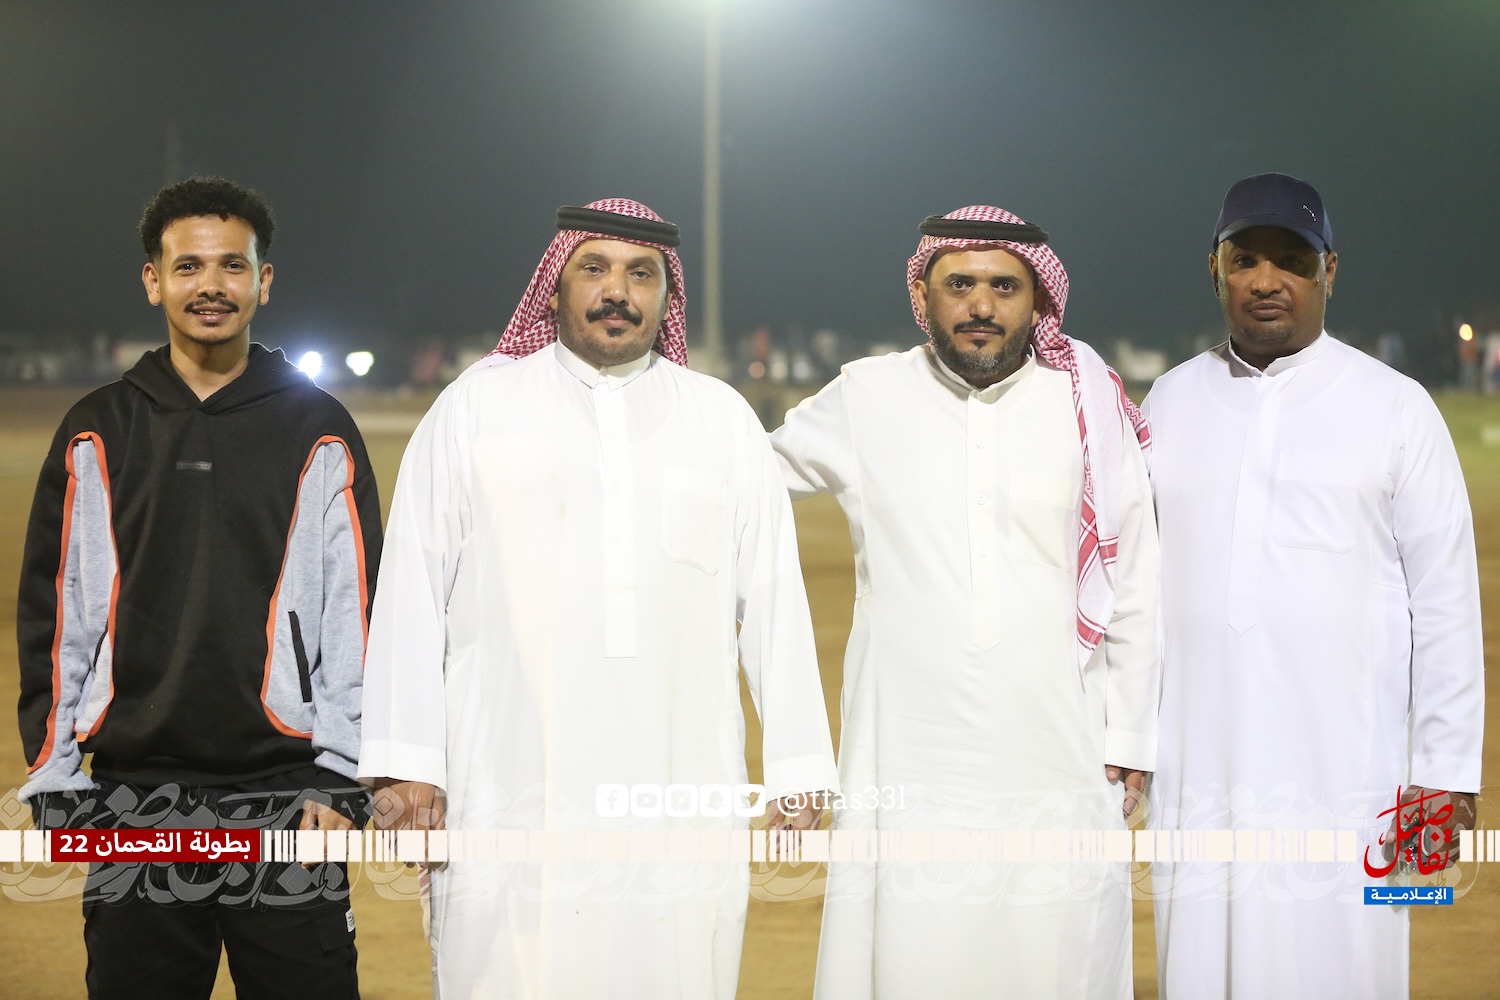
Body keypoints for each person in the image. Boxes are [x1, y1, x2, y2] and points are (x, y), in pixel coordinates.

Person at [358, 198, 838, 998]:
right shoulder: (474, 410)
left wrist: (798, 765)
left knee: (673, 961)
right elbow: (410, 589)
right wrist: (406, 764)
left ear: (667, 295)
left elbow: (776, 602)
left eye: (641, 274)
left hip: (679, 778)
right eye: (595, 268)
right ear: (553, 287)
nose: (617, 290)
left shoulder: (720, 419)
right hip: (506, 776)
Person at [772, 205, 1159, 999]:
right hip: (906, 750)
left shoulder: (1087, 408)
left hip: (1059, 746)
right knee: (913, 946)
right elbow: (741, 482)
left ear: (1038, 299)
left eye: (1004, 287)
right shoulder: (867, 395)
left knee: (1051, 945)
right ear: (924, 295)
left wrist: (1130, 733)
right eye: (959, 285)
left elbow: (1135, 584)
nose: (981, 305)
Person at [17, 176, 382, 998]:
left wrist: (342, 774)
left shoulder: (318, 428)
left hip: (287, 795)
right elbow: (56, 614)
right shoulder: (97, 429)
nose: (209, 285)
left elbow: (356, 613)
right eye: (188, 267)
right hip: (133, 796)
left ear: (264, 281)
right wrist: (54, 775)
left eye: (231, 266)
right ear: (153, 281)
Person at [1144, 172, 1483, 998]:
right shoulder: (1169, 401)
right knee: (1203, 957)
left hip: (1352, 770)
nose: (1266, 280)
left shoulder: (1396, 407)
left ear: (1329, 271)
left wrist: (1444, 776)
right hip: (1198, 761)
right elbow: (1132, 588)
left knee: (1347, 960)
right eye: (1246, 259)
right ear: (1214, 270)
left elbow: (1445, 601)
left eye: (1291, 260)